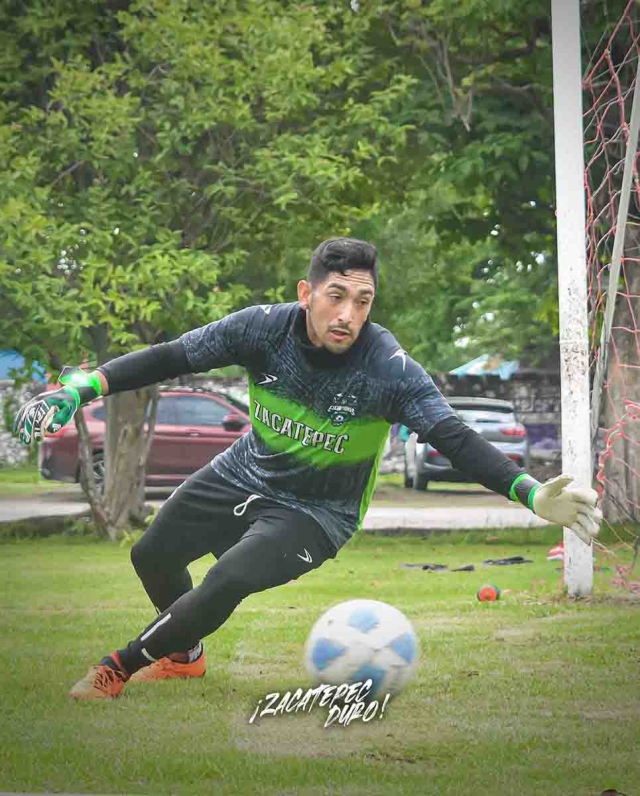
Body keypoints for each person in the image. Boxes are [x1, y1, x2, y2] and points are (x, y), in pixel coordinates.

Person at [14, 238, 602, 700]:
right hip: (245, 471)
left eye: (363, 301)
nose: (349, 314)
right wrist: (86, 387)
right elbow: (172, 356)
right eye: (337, 296)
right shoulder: (260, 329)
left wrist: (527, 490)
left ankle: (116, 669)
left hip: (319, 511)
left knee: (229, 579)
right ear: (307, 292)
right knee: (152, 555)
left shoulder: (388, 367)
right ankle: (186, 656)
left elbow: (451, 434)